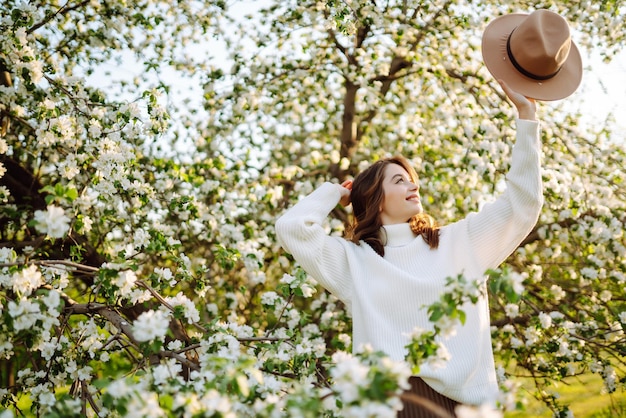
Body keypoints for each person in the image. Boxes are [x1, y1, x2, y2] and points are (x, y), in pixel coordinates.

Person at [276, 9, 581, 416]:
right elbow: (293, 228)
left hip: (467, 407)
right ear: (373, 198)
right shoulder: (355, 262)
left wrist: (528, 118)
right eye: (398, 181)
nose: (413, 185)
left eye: (412, 178)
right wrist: (335, 192)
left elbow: (523, 205)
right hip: (393, 404)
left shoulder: (461, 242)